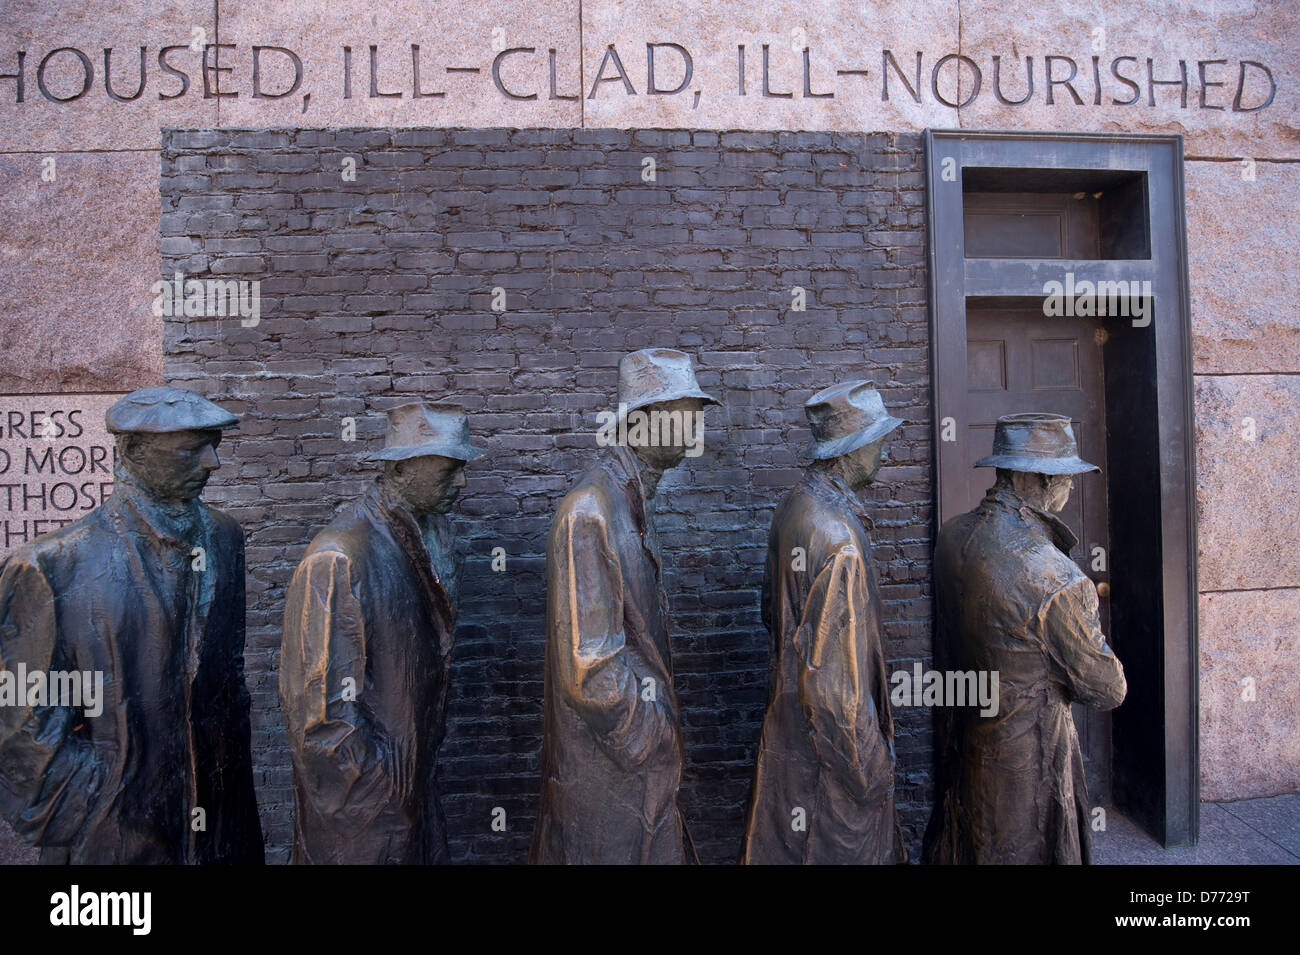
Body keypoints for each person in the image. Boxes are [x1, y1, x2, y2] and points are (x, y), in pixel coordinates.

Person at [0, 386, 263, 864]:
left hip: (221, 820)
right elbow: (22, 722)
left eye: (214, 446)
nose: (211, 464)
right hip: (114, 830)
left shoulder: (225, 537)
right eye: (190, 450)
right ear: (133, 452)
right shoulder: (50, 566)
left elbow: (228, 676)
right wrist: (97, 799)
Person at [531, 348, 719, 864]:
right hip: (609, 778)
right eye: (686, 410)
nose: (697, 423)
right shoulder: (591, 510)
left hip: (630, 775)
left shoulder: (629, 500)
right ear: (643, 421)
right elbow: (592, 674)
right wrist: (652, 739)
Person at [279, 402, 483, 864]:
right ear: (401, 468)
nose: (463, 484)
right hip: (365, 818)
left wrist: (409, 789)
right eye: (448, 471)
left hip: (412, 795)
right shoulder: (341, 557)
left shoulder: (427, 536)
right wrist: (382, 793)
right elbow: (319, 717)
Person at [923, 412, 1127, 865]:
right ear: (1031, 478)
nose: (1071, 487)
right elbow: (1107, 688)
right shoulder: (1057, 578)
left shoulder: (953, 537)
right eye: (1063, 476)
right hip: (1026, 765)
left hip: (963, 741)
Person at [742, 381, 907, 864]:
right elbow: (839, 693)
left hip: (794, 729)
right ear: (851, 450)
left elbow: (771, 614)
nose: (884, 451)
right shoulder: (838, 540)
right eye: (878, 440)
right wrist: (870, 770)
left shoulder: (796, 507)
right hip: (834, 761)